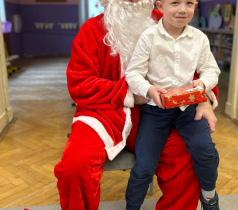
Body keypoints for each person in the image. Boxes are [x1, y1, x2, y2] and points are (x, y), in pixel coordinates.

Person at [54, 0, 219, 209]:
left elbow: (197, 70)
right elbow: (80, 83)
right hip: (103, 114)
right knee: (74, 167)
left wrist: (204, 99)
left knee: (185, 158)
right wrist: (128, 93)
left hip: (159, 112)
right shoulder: (91, 30)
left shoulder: (169, 21)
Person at [124, 0, 220, 209]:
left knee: (205, 150)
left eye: (189, 3)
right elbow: (133, 73)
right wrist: (148, 89)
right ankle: (132, 206)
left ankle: (209, 196)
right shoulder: (148, 37)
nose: (182, 9)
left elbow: (211, 69)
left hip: (188, 108)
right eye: (175, 2)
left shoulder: (199, 38)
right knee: (144, 166)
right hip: (155, 109)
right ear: (160, 6)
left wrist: (203, 83)